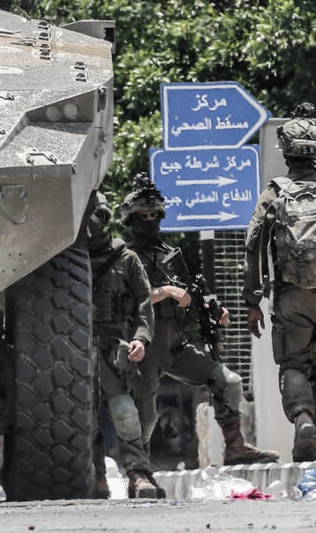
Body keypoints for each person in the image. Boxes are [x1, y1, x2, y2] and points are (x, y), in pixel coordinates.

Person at [120, 178, 279, 467]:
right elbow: (127, 302)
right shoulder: (126, 257)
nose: (150, 220)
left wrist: (214, 310)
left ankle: (235, 446)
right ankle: (137, 470)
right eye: (143, 216)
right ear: (131, 220)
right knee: (145, 414)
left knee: (227, 381)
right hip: (145, 347)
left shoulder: (167, 254)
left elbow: (191, 295)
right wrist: (166, 292)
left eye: (154, 214)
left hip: (176, 346)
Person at [243, 115, 316, 462]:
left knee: (293, 364)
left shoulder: (274, 193)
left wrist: (252, 300)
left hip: (290, 294)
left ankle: (303, 420)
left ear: (286, 151)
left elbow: (253, 247)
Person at [82, 191, 159, 499]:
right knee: (84, 419)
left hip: (115, 351)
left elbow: (144, 301)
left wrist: (141, 338)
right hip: (77, 352)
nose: (91, 225)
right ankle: (96, 476)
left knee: (127, 412)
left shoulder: (125, 258)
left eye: (98, 216)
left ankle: (138, 474)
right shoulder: (64, 259)